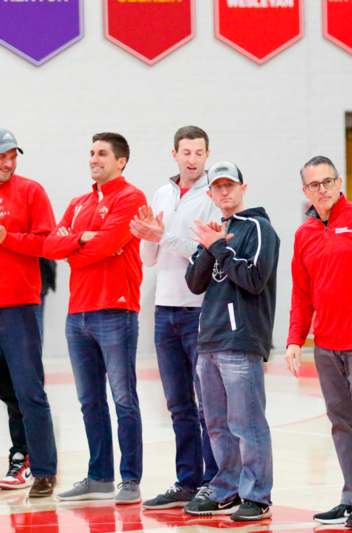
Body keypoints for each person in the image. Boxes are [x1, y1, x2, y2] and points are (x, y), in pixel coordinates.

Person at [43, 132, 147, 504]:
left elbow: (106, 244)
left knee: (123, 399)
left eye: (102, 153)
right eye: (90, 152)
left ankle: (130, 480)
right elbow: (51, 247)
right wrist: (81, 241)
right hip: (79, 315)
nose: (94, 158)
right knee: (89, 401)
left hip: (116, 311)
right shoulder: (77, 202)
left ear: (121, 161)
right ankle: (99, 476)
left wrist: (81, 243)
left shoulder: (131, 197)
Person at [285, 156, 352, 529]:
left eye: (327, 182)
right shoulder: (304, 234)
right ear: (305, 191)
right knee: (341, 422)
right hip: (325, 344)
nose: (322, 190)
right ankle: (349, 495)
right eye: (314, 185)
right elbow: (301, 292)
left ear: (340, 181)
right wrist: (295, 339)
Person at [129, 126, 221, 509]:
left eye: (199, 153)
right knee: (178, 403)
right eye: (186, 152)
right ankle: (187, 479)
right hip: (164, 307)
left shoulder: (214, 196)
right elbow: (148, 259)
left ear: (206, 155)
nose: (192, 159)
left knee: (207, 404)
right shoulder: (162, 193)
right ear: (174, 154)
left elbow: (207, 255)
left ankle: (215, 482)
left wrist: (163, 235)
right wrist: (149, 235)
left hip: (198, 308)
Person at [183, 161, 279, 521]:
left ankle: (258, 494)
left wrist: (219, 248)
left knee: (247, 423)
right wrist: (209, 247)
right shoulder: (214, 230)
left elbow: (253, 279)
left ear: (243, 188)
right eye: (217, 187)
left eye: (230, 186)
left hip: (241, 341)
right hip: (209, 339)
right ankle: (227, 487)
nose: (224, 192)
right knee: (217, 423)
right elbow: (195, 283)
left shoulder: (259, 228)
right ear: (210, 193)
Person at [0, 128, 59, 498]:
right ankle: (20, 455)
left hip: (19, 306)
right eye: (2, 157)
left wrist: (8, 238)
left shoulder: (30, 191)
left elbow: (47, 243)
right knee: (7, 390)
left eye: (12, 156)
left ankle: (43, 469)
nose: (8, 163)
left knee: (28, 390)